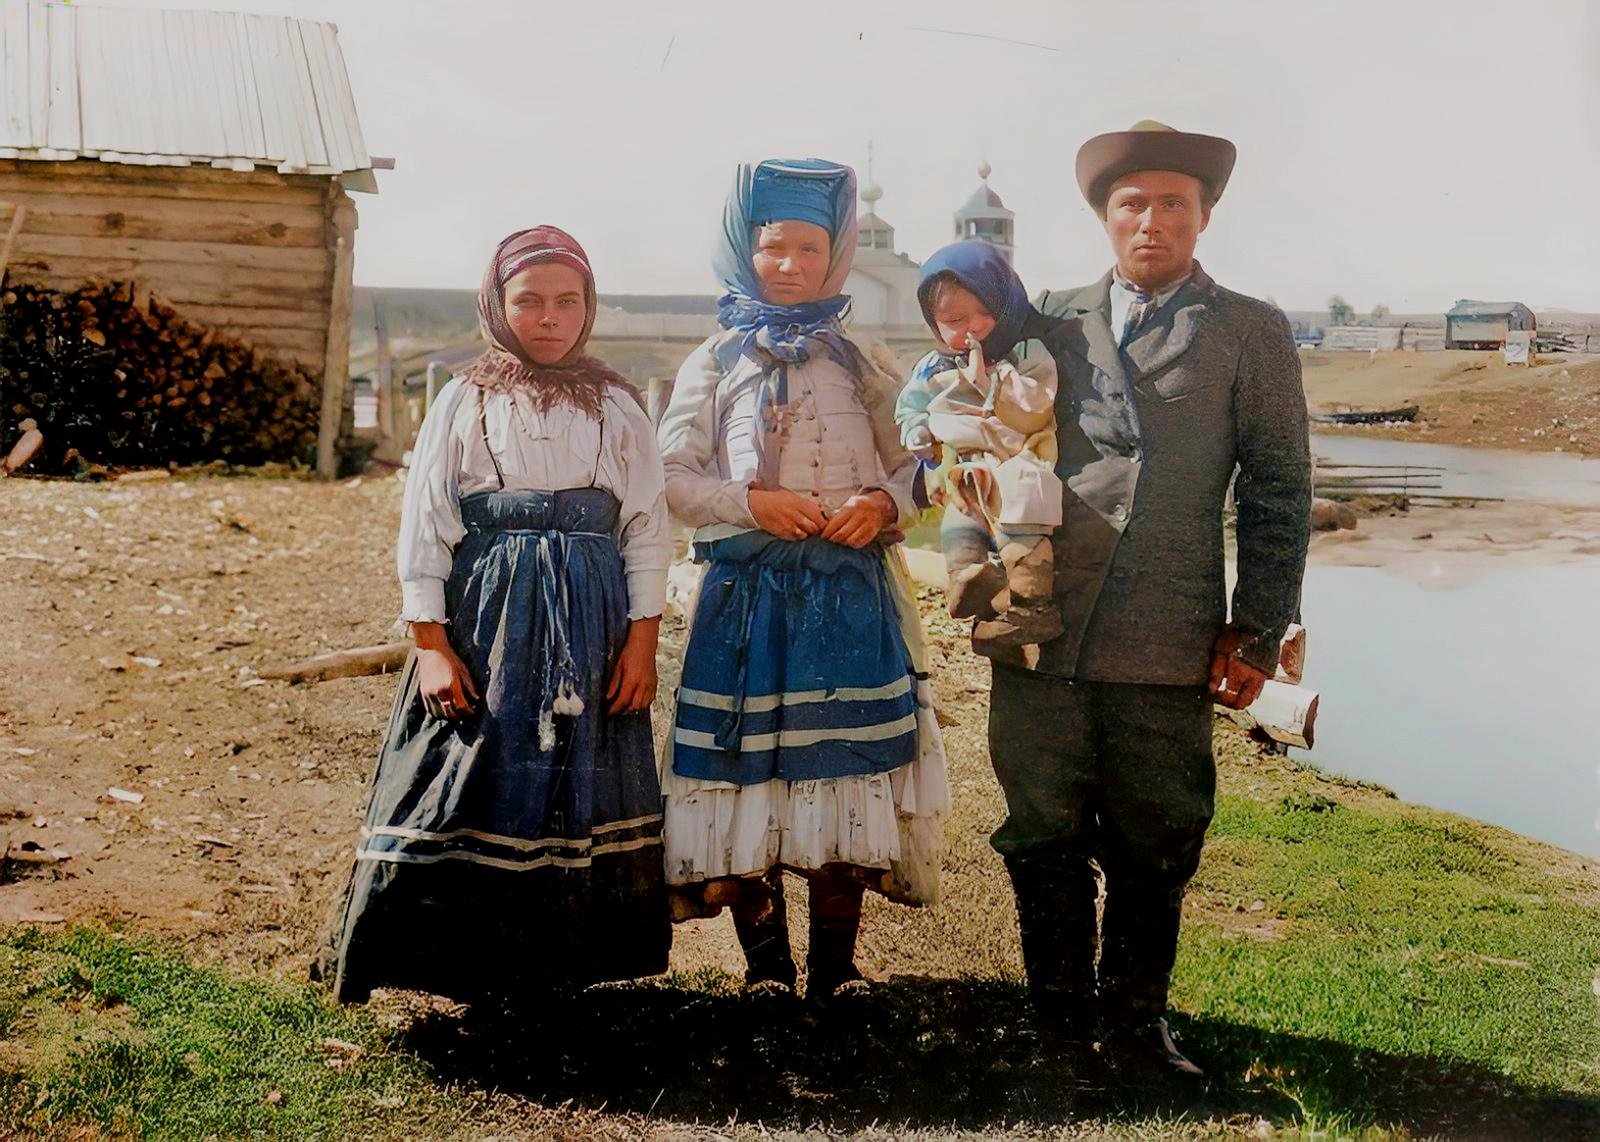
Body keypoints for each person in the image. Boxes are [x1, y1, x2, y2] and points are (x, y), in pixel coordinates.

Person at [990, 121, 1312, 1081]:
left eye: (1174, 203)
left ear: (1204, 216)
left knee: (1157, 834)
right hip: (1040, 625)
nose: (1152, 221)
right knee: (1041, 830)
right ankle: (1055, 1032)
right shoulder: (1043, 316)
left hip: (1168, 628)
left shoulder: (1250, 329)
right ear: (1104, 216)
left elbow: (1278, 490)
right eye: (1132, 203)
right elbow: (982, 437)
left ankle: (1134, 1031)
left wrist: (1254, 629)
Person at [323, 226, 672, 1009]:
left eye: (566, 301)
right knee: (475, 767)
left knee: (575, 782)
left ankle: (565, 971)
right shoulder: (465, 398)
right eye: (529, 301)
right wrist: (432, 646)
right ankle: (464, 966)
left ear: (588, 309)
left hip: (591, 621)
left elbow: (646, 526)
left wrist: (642, 642)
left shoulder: (618, 403)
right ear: (497, 304)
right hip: (490, 621)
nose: (548, 317)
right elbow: (427, 527)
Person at [656, 158, 949, 1002]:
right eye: (773, 247)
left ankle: (834, 969)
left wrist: (880, 505)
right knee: (748, 772)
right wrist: (751, 501)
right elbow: (671, 480)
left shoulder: (863, 360)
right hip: (744, 604)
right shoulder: (714, 361)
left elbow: (920, 469)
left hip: (847, 603)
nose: (788, 265)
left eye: (808, 249)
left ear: (837, 256)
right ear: (746, 252)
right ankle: (766, 969)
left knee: (841, 769)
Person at [894, 239, 1063, 657]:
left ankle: (1029, 605)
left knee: (1020, 524)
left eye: (983, 313)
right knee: (959, 522)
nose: (971, 328)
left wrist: (991, 382)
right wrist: (918, 431)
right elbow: (911, 402)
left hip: (1020, 457)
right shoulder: (933, 367)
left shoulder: (1025, 353)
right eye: (953, 319)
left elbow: (1038, 403)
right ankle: (969, 578)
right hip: (968, 465)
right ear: (934, 324)